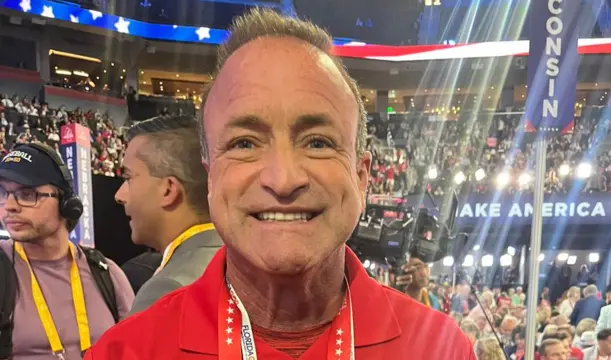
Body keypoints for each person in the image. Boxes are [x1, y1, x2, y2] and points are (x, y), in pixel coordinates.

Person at [84, 8, 474, 360]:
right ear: (211, 175)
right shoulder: (126, 353)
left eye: (318, 142)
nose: (283, 180)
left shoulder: (442, 349)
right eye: (245, 143)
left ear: (361, 175)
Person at [0, 143, 134, 359]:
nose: (9, 205)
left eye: (27, 194)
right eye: (3, 193)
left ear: (66, 204)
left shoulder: (107, 273)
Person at [115, 115, 222, 315]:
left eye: (128, 178)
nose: (119, 195)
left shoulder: (168, 290)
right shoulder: (246, 264)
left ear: (168, 190)